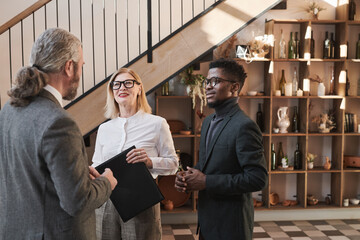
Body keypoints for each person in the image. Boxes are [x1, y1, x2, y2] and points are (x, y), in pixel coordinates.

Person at [0, 28, 118, 240]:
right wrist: (106, 182)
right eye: (81, 65)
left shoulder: (9, 109)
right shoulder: (59, 123)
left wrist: (78, 174)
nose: (82, 72)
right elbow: (77, 202)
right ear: (69, 67)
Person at [175, 58, 268, 240]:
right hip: (207, 222)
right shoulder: (208, 121)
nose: (208, 86)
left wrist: (206, 182)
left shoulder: (244, 126)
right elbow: (208, 162)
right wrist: (188, 177)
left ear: (234, 87)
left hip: (231, 226)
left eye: (215, 81)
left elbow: (257, 179)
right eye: (207, 81)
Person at [92, 68, 179, 240]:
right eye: (116, 85)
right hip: (107, 200)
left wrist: (149, 161)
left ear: (139, 88)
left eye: (128, 83)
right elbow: (96, 163)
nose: (121, 88)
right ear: (112, 92)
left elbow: (174, 164)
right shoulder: (104, 128)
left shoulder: (157, 124)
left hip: (141, 200)